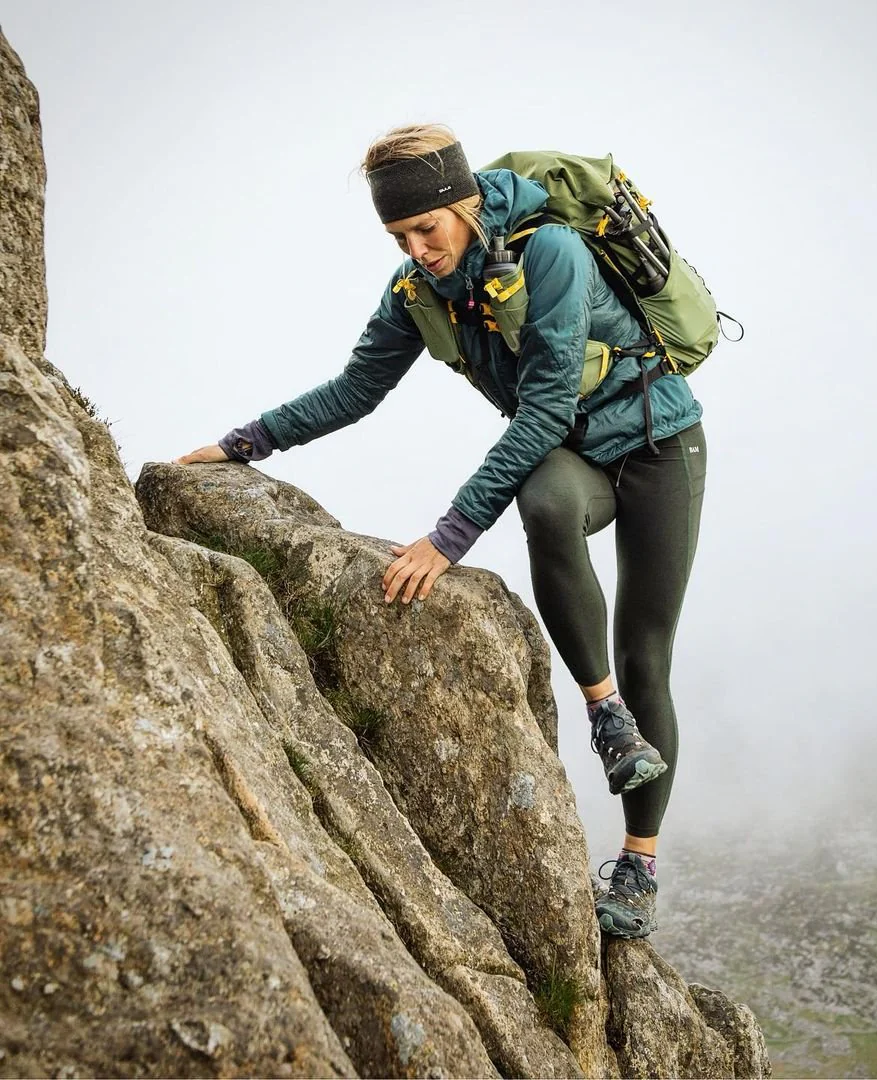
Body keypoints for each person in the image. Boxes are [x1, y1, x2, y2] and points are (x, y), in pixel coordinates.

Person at [177, 124, 708, 939]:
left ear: (463, 204)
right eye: (399, 237)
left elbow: (544, 409)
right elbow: (354, 390)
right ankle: (607, 717)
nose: (417, 250)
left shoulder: (551, 251)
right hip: (575, 460)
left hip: (658, 442)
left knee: (646, 655)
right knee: (545, 504)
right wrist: (244, 442)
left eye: (426, 229)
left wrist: (448, 536)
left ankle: (638, 866)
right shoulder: (416, 292)